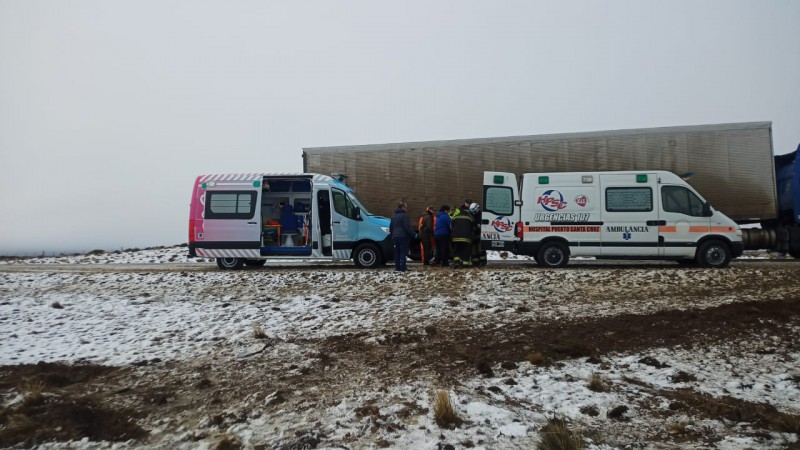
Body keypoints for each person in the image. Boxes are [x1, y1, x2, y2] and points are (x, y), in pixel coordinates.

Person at [389, 202, 416, 272]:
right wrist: (413, 234)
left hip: (395, 236)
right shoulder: (404, 216)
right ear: (402, 207)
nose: (407, 209)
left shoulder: (393, 215)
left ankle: (397, 267)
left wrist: (393, 235)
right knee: (403, 252)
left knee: (397, 252)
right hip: (402, 236)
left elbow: (391, 227)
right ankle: (403, 268)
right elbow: (407, 227)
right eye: (406, 207)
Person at [451, 203, 474, 268]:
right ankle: (465, 263)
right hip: (466, 237)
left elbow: (451, 226)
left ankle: (456, 262)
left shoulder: (455, 216)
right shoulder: (470, 217)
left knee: (457, 249)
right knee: (466, 250)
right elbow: (473, 227)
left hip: (456, 237)